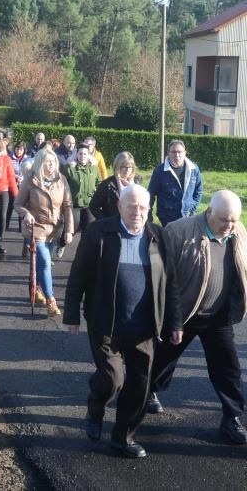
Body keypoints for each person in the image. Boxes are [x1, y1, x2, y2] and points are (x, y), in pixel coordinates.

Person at [63, 185, 182, 458]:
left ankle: (123, 438)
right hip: (106, 324)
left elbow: (172, 285)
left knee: (140, 385)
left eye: (142, 208)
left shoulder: (159, 237)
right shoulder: (99, 232)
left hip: (144, 329)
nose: (137, 213)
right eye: (131, 207)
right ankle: (96, 408)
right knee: (112, 379)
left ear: (149, 209)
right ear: (119, 207)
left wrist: (175, 324)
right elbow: (78, 275)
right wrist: (71, 315)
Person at [147, 190, 247, 445]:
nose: (229, 225)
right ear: (209, 212)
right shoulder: (178, 231)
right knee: (161, 359)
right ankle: (147, 393)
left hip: (218, 315)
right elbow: (165, 279)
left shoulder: (238, 231)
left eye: (234, 219)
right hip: (185, 313)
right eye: (224, 219)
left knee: (228, 368)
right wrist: (173, 319)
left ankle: (231, 418)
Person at [15, 147, 73, 316]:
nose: (51, 165)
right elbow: (17, 204)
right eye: (48, 162)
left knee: (41, 264)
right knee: (46, 263)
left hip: (55, 229)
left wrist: (69, 230)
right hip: (36, 228)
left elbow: (68, 206)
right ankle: (51, 301)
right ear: (40, 163)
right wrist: (26, 214)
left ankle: (36, 288)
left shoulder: (61, 180)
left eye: (54, 162)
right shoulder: (30, 180)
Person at [148, 139, 203, 227]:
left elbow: (199, 190)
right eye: (173, 152)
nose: (177, 155)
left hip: (188, 216)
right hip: (167, 218)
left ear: (185, 153)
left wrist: (192, 207)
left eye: (179, 152)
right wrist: (148, 215)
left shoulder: (193, 169)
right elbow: (151, 194)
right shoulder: (160, 171)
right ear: (168, 153)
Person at [63, 143, 100, 238]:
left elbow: (98, 182)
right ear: (77, 155)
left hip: (89, 204)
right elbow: (63, 184)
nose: (82, 156)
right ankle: (62, 244)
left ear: (88, 156)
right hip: (74, 204)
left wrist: (95, 192)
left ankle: (84, 251)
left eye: (85, 154)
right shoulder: (70, 168)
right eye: (80, 154)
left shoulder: (94, 169)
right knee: (72, 229)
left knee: (89, 229)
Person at [90, 152, 139, 220]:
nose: (128, 170)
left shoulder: (135, 184)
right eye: (124, 167)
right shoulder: (107, 185)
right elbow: (93, 206)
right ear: (117, 167)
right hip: (112, 226)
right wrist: (106, 221)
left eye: (130, 167)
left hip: (131, 225)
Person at [6, 141, 28, 231]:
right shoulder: (9, 158)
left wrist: (23, 177)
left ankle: (21, 226)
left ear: (24, 150)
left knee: (21, 206)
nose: (19, 151)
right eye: (17, 149)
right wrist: (15, 177)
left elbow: (29, 171)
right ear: (14, 149)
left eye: (21, 149)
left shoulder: (28, 159)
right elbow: (7, 171)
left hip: (23, 186)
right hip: (12, 185)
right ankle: (6, 225)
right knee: (9, 206)